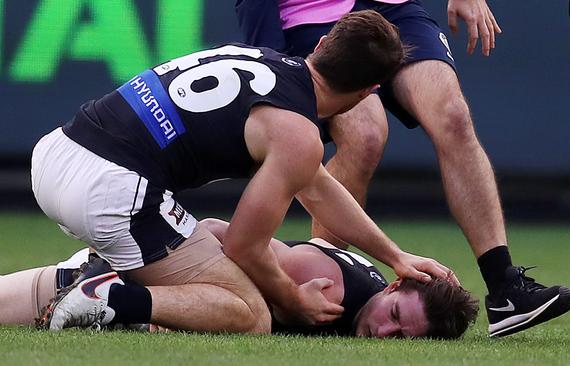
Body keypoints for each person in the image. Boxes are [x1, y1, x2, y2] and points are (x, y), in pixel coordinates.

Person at [30, 10, 457, 334]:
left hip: (57, 151)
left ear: (323, 43)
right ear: (369, 93)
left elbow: (319, 188)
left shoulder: (260, 59)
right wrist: (293, 299)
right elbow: (244, 246)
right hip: (111, 188)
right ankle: (108, 298)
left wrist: (396, 256)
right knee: (249, 312)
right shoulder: (299, 134)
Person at [234, 0, 570, 337]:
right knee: (365, 135)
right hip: (311, 15)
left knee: (453, 116)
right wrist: (270, 57)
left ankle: (506, 290)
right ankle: (324, 286)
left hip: (391, 8)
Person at [0, 219, 479, 339]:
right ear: (394, 287)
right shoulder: (329, 285)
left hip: (130, 277)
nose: (386, 334)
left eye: (404, 338)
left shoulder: (362, 290)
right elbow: (221, 234)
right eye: (397, 318)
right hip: (118, 285)